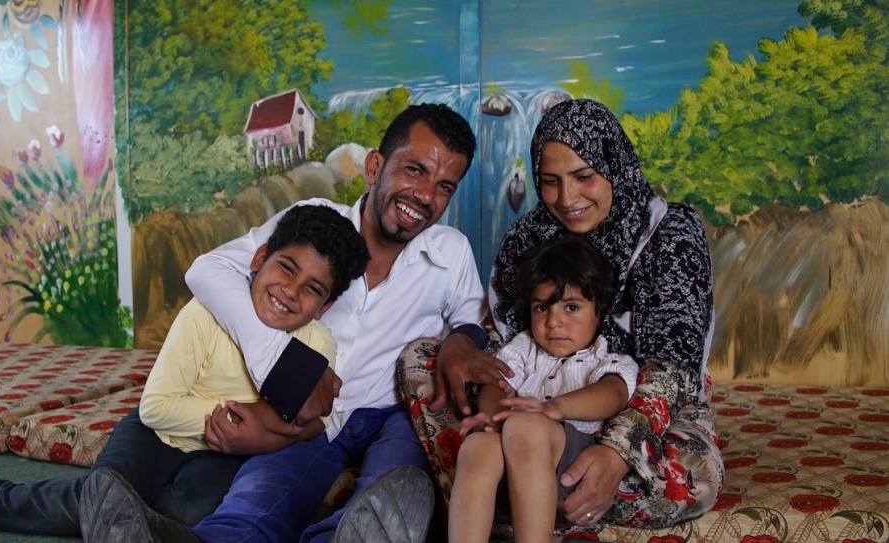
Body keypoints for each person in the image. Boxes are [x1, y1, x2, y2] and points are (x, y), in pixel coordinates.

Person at [79, 102, 486, 543]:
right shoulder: (315, 222)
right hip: (305, 417)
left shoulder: (451, 251)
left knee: (399, 478)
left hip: (390, 413)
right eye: (413, 170)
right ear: (374, 166)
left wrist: (462, 340)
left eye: (445, 186)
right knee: (260, 493)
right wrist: (283, 365)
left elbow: (471, 317)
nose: (426, 196)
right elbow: (207, 270)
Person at [0, 204, 369, 536]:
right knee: (106, 493)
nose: (290, 292)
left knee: (188, 515)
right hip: (154, 433)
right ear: (259, 259)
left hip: (225, 454)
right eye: (286, 268)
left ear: (325, 306)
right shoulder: (206, 313)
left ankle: (132, 524)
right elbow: (157, 408)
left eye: (312, 289)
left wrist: (272, 436)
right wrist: (249, 419)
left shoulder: (316, 343)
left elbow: (319, 422)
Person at [406, 98, 723, 531]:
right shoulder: (529, 236)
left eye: (584, 176)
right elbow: (507, 344)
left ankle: (520, 495)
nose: (567, 198)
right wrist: (468, 353)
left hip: (645, 416)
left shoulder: (669, 234)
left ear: (614, 164)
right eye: (550, 181)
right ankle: (511, 486)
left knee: (689, 481)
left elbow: (671, 371)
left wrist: (616, 453)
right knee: (424, 360)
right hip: (530, 415)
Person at [449, 237, 638, 543]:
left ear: (599, 311)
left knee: (527, 425)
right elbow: (495, 384)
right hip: (513, 476)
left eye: (572, 307)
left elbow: (613, 394)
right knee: (478, 445)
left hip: (569, 470)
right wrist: (495, 415)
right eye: (542, 308)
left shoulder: (603, 357)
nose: (554, 323)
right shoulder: (524, 348)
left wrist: (556, 408)